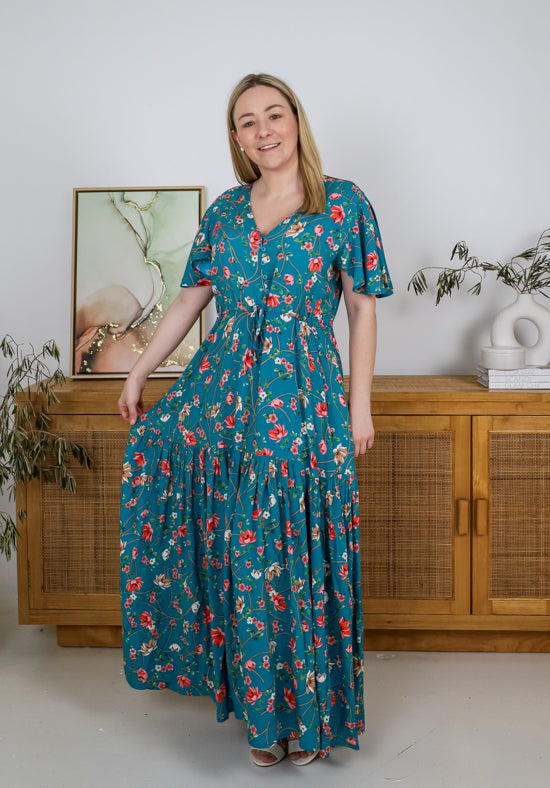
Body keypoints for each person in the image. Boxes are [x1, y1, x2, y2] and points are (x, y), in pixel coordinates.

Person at [118, 72, 393, 767]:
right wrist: (141, 368)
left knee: (299, 551)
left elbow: (362, 309)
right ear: (236, 138)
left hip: (305, 402)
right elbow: (190, 301)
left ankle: (311, 712)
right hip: (223, 403)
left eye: (274, 115)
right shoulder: (226, 214)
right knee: (243, 555)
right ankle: (262, 717)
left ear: (296, 121)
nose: (263, 130)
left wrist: (360, 405)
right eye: (247, 122)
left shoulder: (344, 204)